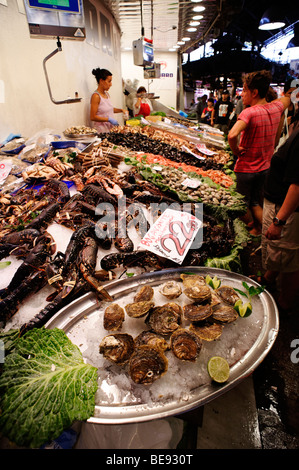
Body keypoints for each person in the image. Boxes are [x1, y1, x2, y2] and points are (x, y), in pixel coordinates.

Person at [227, 70, 291, 236]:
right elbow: (287, 98)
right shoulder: (275, 107)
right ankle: (261, 231)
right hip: (265, 167)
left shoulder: (249, 112)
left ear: (254, 92)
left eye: (244, 90)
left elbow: (232, 134)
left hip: (246, 169)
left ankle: (251, 230)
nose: (241, 94)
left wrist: (236, 150)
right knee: (256, 202)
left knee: (241, 205)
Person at [261, 127, 299, 314]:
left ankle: (284, 306)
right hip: (283, 208)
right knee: (282, 254)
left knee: (290, 260)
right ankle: (268, 280)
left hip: (288, 212)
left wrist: (279, 222)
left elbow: (298, 185)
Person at [90, 68, 126, 133]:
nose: (111, 84)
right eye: (109, 81)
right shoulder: (96, 96)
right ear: (101, 81)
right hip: (101, 131)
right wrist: (108, 119)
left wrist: (121, 110)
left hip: (110, 129)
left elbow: (109, 109)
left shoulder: (107, 94)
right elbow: (92, 117)